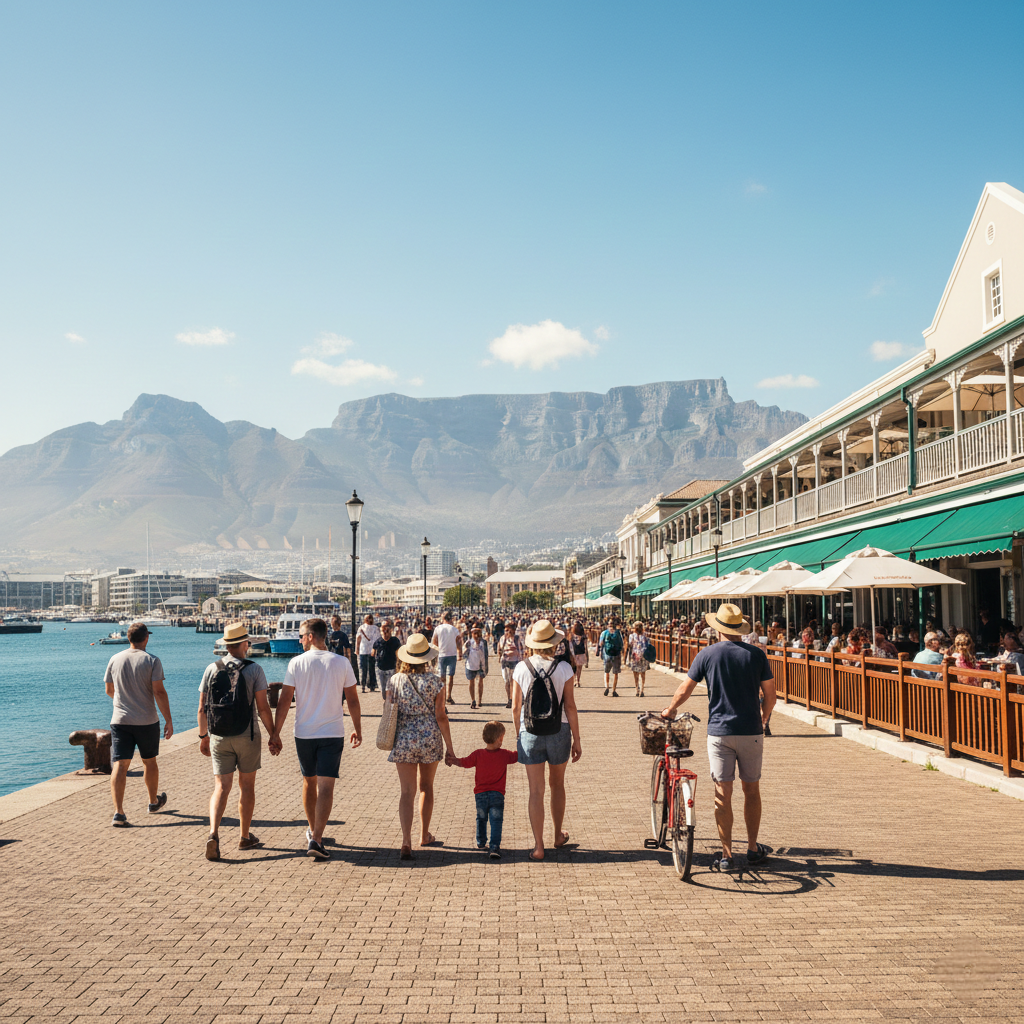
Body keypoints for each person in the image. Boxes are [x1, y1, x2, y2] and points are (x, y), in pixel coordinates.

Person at [661, 603, 775, 873]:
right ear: (740, 629)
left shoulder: (707, 654)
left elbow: (685, 688)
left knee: (722, 794)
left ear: (718, 628)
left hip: (720, 733)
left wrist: (671, 709)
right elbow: (770, 695)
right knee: (752, 790)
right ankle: (752, 847)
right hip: (751, 731)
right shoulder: (756, 655)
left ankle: (726, 855)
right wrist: (764, 717)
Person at [272, 618, 361, 861]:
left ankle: (314, 832)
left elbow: (284, 700)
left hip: (304, 733)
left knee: (309, 782)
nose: (300, 640)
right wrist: (357, 728)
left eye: (302, 635)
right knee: (326, 787)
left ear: (311, 636)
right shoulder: (342, 662)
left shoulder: (296, 663)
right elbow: (352, 699)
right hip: (332, 732)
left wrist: (275, 732)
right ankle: (317, 838)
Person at [197, 622, 281, 860]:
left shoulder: (211, 669)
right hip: (247, 736)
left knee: (221, 787)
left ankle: (213, 832)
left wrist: (204, 737)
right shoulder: (254, 670)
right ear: (245, 644)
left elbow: (202, 709)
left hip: (219, 737)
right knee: (246, 786)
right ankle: (244, 837)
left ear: (226, 645)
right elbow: (264, 708)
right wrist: (274, 735)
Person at [512, 619, 582, 861]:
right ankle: (557, 836)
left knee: (535, 791)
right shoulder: (564, 669)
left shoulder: (521, 668)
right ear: (554, 644)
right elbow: (570, 707)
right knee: (557, 785)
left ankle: (539, 846)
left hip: (529, 732)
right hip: (559, 730)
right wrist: (577, 740)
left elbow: (515, 707)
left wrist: (518, 733)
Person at [388, 632, 457, 859]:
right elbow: (441, 716)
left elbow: (389, 710)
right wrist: (450, 747)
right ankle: (424, 834)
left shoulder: (395, 680)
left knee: (406, 792)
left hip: (404, 739)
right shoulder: (436, 682)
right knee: (426, 786)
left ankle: (406, 841)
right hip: (430, 739)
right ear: (427, 657)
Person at [104, 622, 173, 827]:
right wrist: (168, 719)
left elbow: (109, 689)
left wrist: (124, 701)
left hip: (120, 720)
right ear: (146, 638)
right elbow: (159, 692)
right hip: (146, 720)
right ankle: (152, 802)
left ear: (128, 638)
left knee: (120, 764)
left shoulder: (115, 659)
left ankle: (119, 813)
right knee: (149, 761)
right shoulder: (152, 660)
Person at [446, 720, 517, 859]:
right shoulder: (505, 754)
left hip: (480, 794)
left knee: (481, 817)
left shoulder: (478, 754)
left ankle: (481, 841)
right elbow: (518, 756)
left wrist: (454, 760)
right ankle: (494, 846)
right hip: (497, 794)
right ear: (500, 739)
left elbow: (465, 762)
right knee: (496, 820)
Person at [432, 610, 463, 704]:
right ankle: (449, 696)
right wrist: (459, 652)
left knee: (442, 678)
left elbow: (434, 641)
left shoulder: (438, 628)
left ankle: (442, 696)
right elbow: (458, 641)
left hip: (441, 655)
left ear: (443, 618)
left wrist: (436, 651)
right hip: (452, 654)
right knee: (451, 677)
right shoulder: (454, 629)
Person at [372, 619, 402, 696]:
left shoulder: (395, 641)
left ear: (391, 629)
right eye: (383, 629)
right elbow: (373, 653)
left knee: (390, 690)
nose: (385, 631)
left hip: (391, 668)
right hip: (380, 668)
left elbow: (399, 655)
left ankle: (388, 706)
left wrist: (399, 668)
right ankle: (386, 703)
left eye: (387, 629)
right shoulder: (378, 641)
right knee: (383, 691)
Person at [498, 623, 523, 709]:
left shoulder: (516, 639)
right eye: (506, 630)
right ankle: (509, 698)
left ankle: (513, 699)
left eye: (509, 630)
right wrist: (500, 655)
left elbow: (520, 650)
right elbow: (500, 648)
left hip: (515, 662)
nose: (507, 632)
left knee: (513, 681)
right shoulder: (503, 639)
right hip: (505, 662)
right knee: (507, 681)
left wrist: (521, 660)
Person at [464, 626, 489, 709]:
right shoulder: (468, 643)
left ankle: (480, 700)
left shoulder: (483, 643)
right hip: (470, 665)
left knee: (480, 682)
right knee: (471, 682)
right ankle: (473, 700)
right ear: (472, 634)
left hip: (481, 665)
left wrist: (485, 667)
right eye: (475, 633)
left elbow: (486, 655)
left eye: (478, 633)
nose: (477, 636)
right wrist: (464, 651)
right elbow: (464, 654)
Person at [598, 618, 624, 697]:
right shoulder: (618, 633)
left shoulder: (604, 633)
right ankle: (614, 690)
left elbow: (600, 643)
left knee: (607, 671)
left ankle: (607, 686)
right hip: (616, 655)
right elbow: (621, 644)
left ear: (608, 625)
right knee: (615, 673)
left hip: (607, 654)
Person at [356, 614, 381, 692]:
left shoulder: (361, 628)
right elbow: (378, 640)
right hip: (371, 650)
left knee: (364, 669)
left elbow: (358, 639)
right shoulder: (376, 628)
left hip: (364, 650)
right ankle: (371, 685)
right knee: (371, 668)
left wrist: (357, 649)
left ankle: (364, 685)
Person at [626, 621, 650, 697]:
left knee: (635, 673)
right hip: (644, 656)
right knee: (643, 673)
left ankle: (637, 689)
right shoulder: (645, 635)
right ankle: (642, 689)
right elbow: (649, 644)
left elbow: (630, 645)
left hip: (635, 656)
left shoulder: (632, 636)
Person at [569, 623, 588, 687]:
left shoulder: (571, 636)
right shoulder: (583, 636)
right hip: (581, 653)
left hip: (574, 653)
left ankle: (574, 681)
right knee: (579, 668)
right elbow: (586, 647)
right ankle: (578, 681)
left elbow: (570, 646)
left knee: (574, 668)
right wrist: (587, 658)